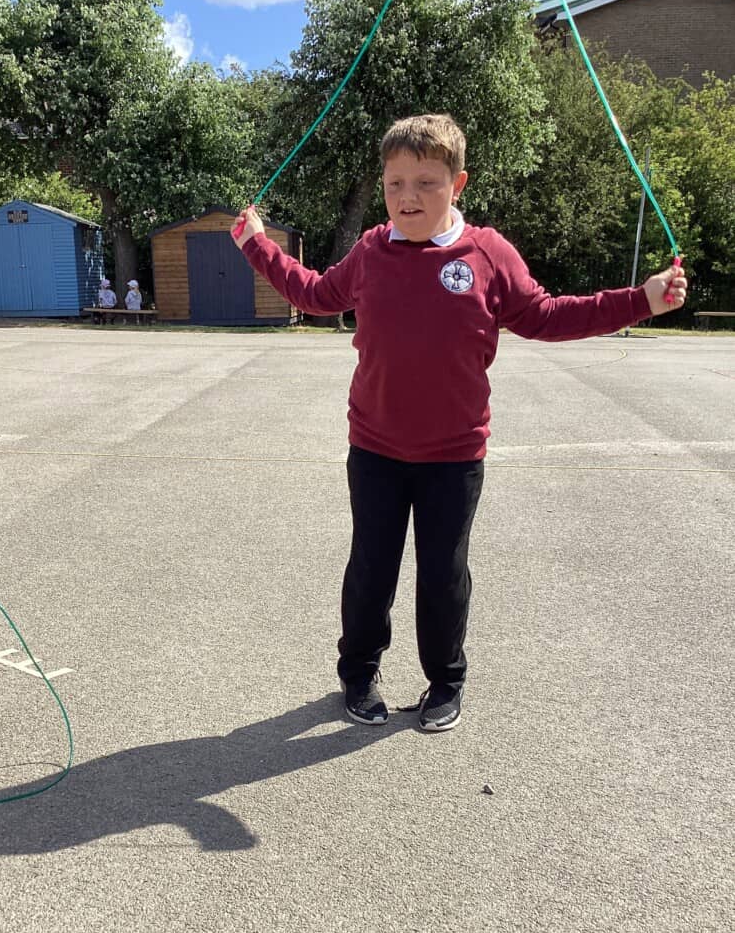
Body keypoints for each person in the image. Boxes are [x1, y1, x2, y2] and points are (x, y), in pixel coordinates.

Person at [231, 113, 687, 732]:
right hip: (376, 449)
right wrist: (256, 244)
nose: (408, 197)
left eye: (426, 182)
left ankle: (445, 681)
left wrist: (643, 299)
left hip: (454, 456)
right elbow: (313, 293)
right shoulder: (370, 252)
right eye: (394, 184)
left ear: (457, 183)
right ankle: (359, 673)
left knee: (444, 575)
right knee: (370, 568)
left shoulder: (487, 253)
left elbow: (548, 315)